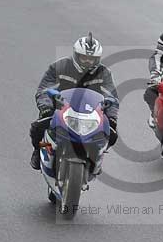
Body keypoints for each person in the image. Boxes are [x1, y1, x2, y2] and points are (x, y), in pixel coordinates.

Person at [29, 33, 119, 170]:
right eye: (84, 57)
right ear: (76, 55)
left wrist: (112, 116)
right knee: (38, 127)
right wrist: (46, 107)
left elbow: (112, 96)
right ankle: (38, 150)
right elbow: (43, 90)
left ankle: (97, 156)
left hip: (90, 111)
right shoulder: (59, 66)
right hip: (60, 107)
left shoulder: (104, 72)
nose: (88, 62)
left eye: (92, 59)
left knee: (112, 132)